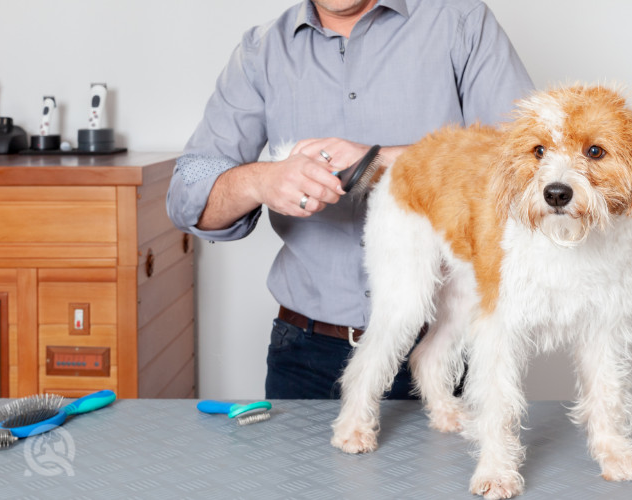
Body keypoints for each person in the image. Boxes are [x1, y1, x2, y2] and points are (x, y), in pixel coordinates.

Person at [166, 0, 533, 399]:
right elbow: (189, 194)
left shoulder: (460, 22)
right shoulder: (261, 51)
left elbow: (528, 157)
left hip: (441, 348)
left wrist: (380, 162)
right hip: (304, 357)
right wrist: (261, 181)